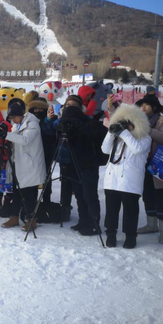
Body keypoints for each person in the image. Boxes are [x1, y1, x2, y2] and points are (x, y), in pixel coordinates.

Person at [101, 104, 152, 249]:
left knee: (130, 211)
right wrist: (111, 132)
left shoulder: (145, 138)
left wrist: (124, 133)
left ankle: (130, 237)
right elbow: (105, 149)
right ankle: (111, 235)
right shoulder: (118, 137)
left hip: (130, 181)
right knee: (111, 210)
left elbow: (137, 149)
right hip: (112, 180)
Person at [54, 98, 103, 236]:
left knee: (89, 195)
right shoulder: (64, 123)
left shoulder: (89, 122)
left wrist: (76, 124)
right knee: (80, 195)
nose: (71, 109)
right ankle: (83, 220)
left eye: (74, 106)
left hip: (88, 164)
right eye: (68, 105)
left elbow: (92, 133)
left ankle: (94, 224)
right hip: (72, 164)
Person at [0, 102, 45, 231]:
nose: (12, 120)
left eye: (14, 117)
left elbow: (24, 140)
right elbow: (15, 139)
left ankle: (32, 220)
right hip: (18, 163)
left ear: (21, 115)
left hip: (30, 165)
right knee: (16, 192)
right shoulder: (16, 125)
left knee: (29, 194)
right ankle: (14, 217)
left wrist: (6, 135)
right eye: (11, 118)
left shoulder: (33, 124)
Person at [134, 95, 163, 243]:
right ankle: (151, 224)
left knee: (162, 196)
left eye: (147, 105)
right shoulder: (138, 122)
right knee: (147, 194)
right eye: (141, 104)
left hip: (160, 162)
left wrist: (147, 130)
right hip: (142, 163)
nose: (143, 107)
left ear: (154, 107)